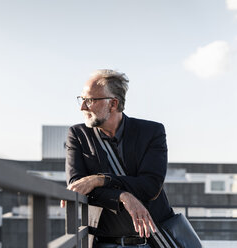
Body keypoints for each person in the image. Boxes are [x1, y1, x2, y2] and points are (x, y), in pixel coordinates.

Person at [64, 69, 174, 248]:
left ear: (113, 104)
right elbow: (78, 185)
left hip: (154, 242)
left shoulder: (152, 132)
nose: (82, 107)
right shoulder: (78, 134)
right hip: (104, 243)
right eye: (82, 99)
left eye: (90, 100)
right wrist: (122, 196)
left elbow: (150, 185)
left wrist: (100, 180)